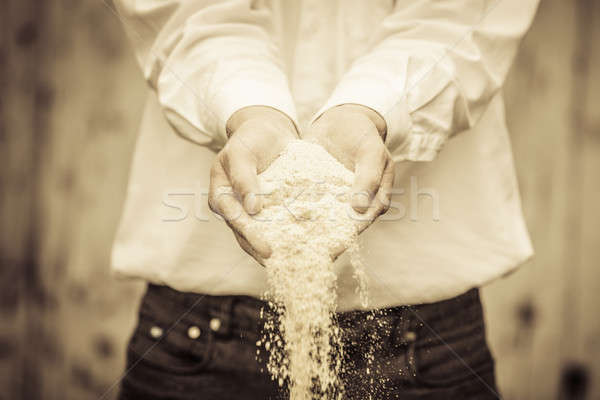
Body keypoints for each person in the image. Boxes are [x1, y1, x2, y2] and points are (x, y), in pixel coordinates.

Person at [112, 0, 539, 398]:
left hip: (425, 334)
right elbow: (183, 10)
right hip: (198, 324)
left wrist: (370, 109)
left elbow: (464, 16)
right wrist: (249, 109)